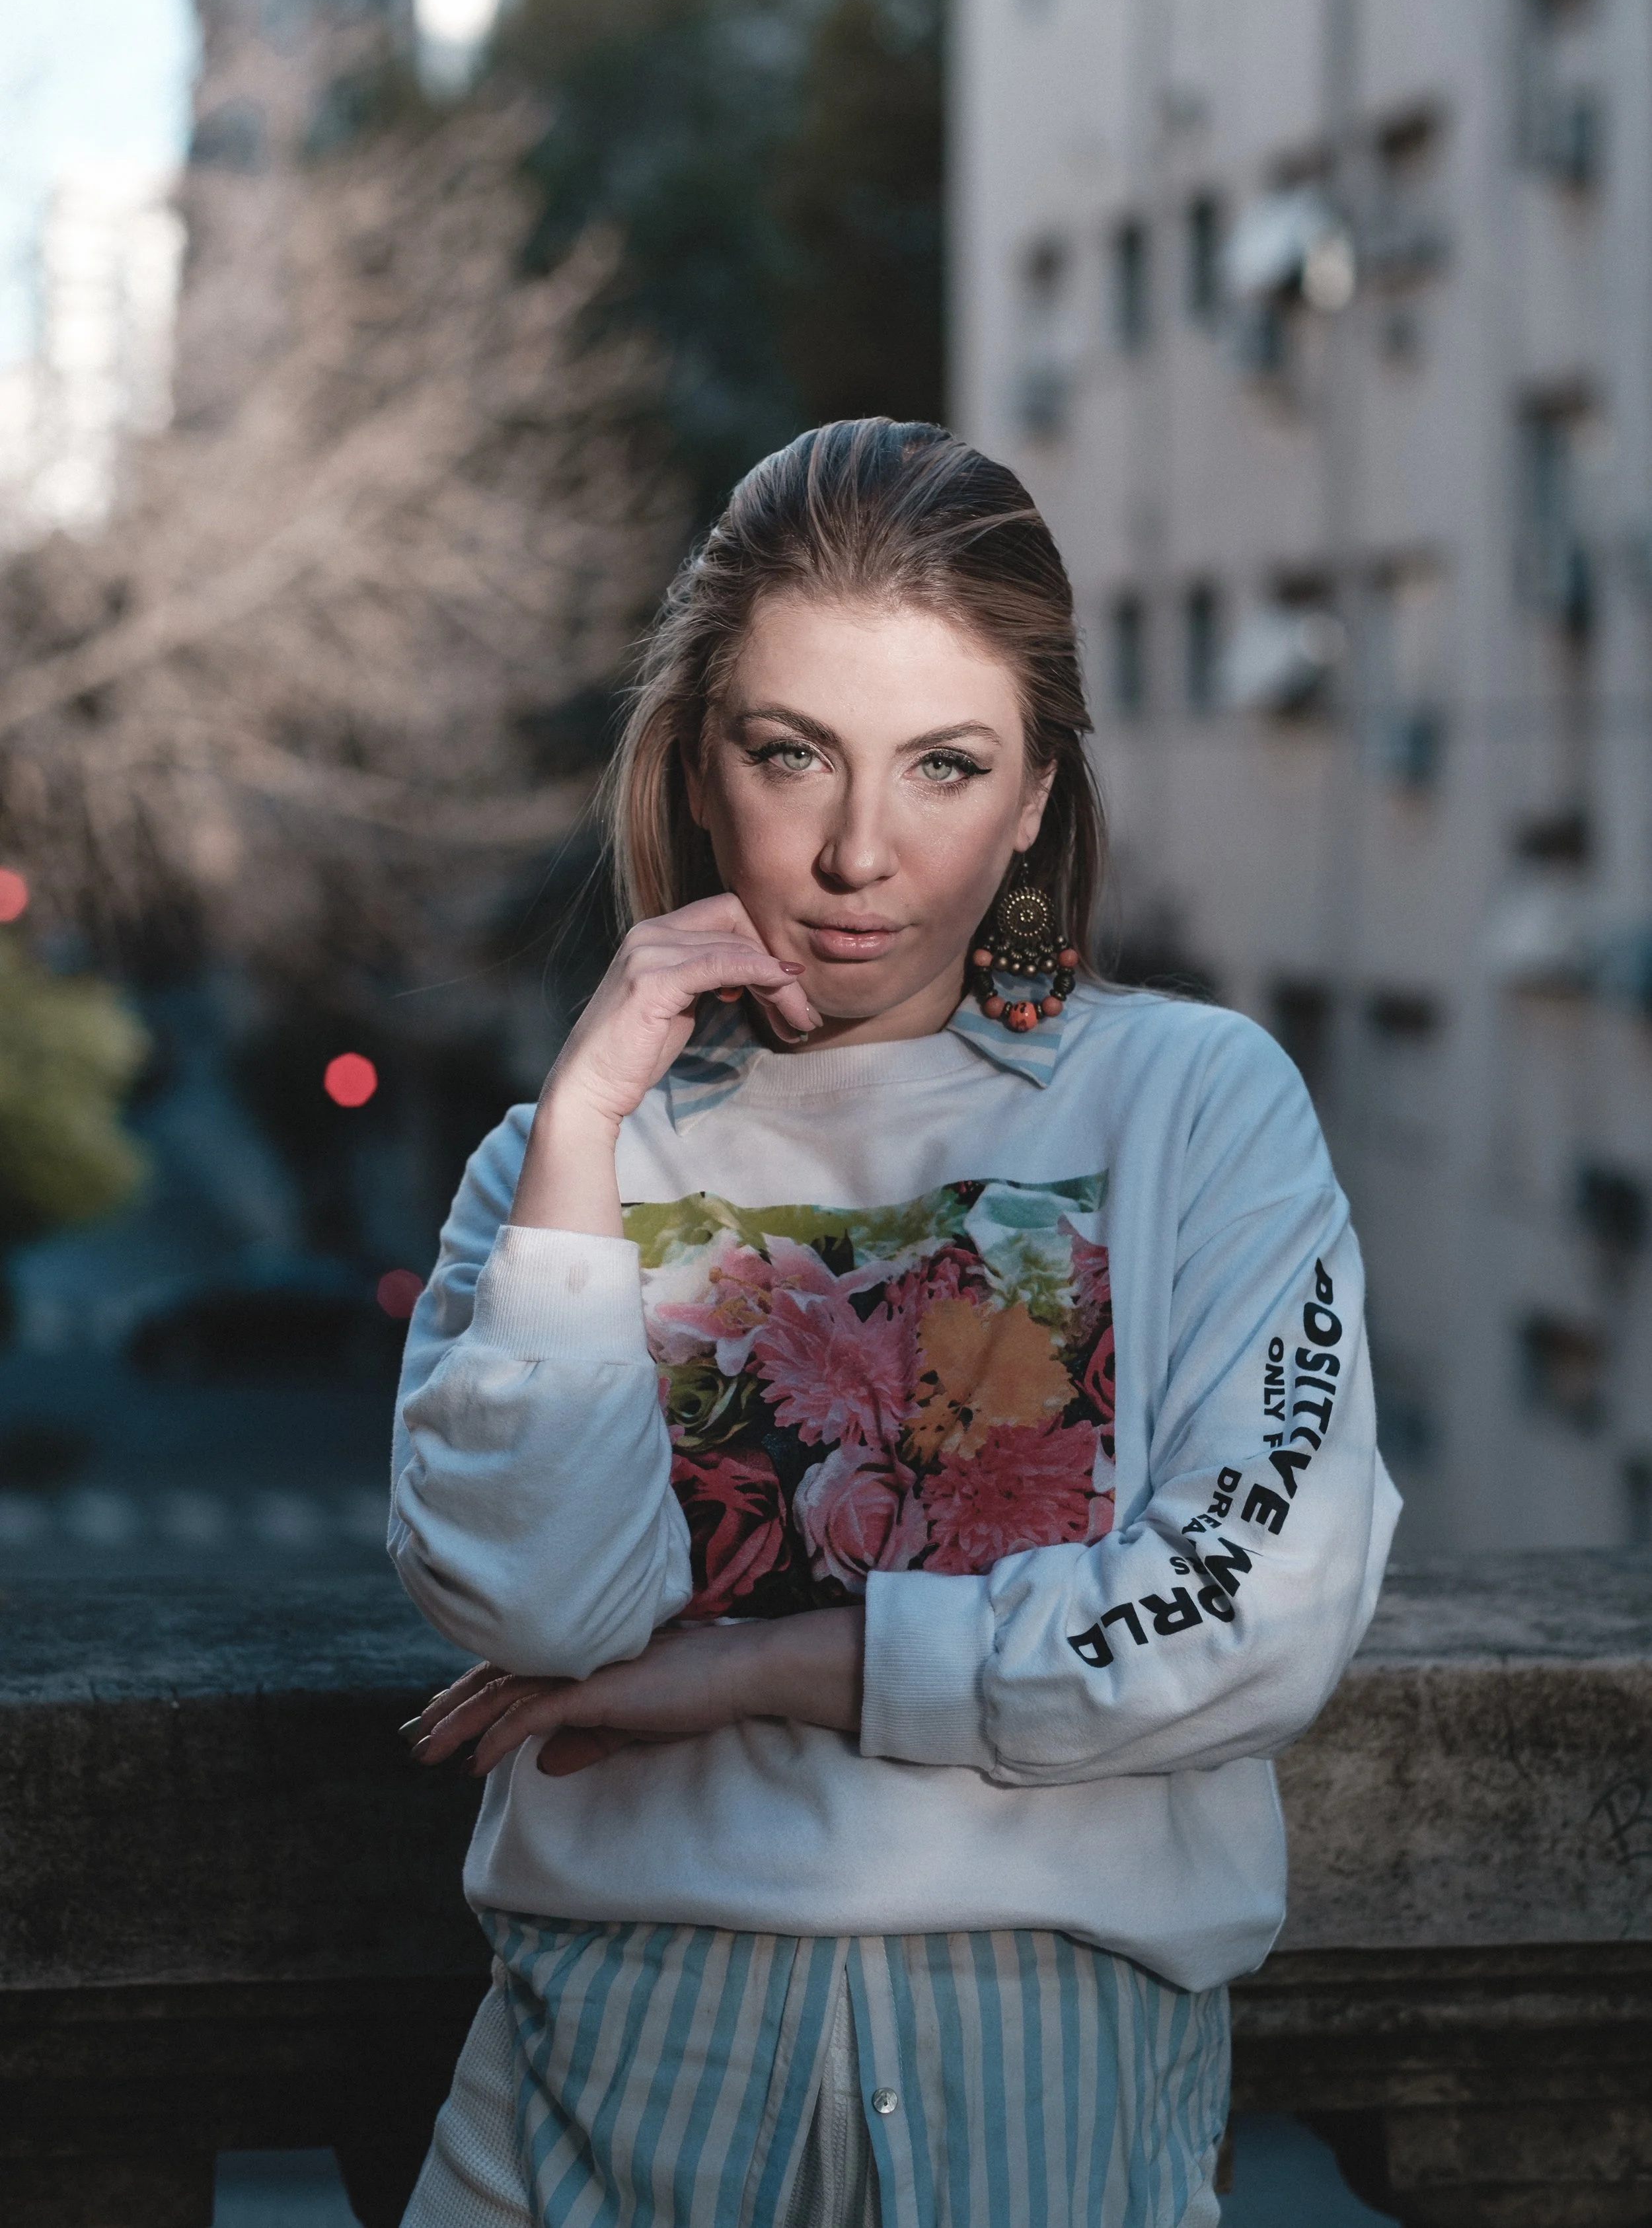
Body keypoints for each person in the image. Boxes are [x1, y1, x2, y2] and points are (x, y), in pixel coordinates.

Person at [392, 418, 1400, 2228]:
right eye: (793, 754)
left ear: (1030, 798)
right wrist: (577, 1132)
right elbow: (533, 1607)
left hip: (1053, 2066)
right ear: (698, 762)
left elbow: (1256, 1611)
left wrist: (769, 1664)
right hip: (614, 2065)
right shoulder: (564, 1163)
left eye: (944, 766)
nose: (861, 851)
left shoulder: (1192, 1103)